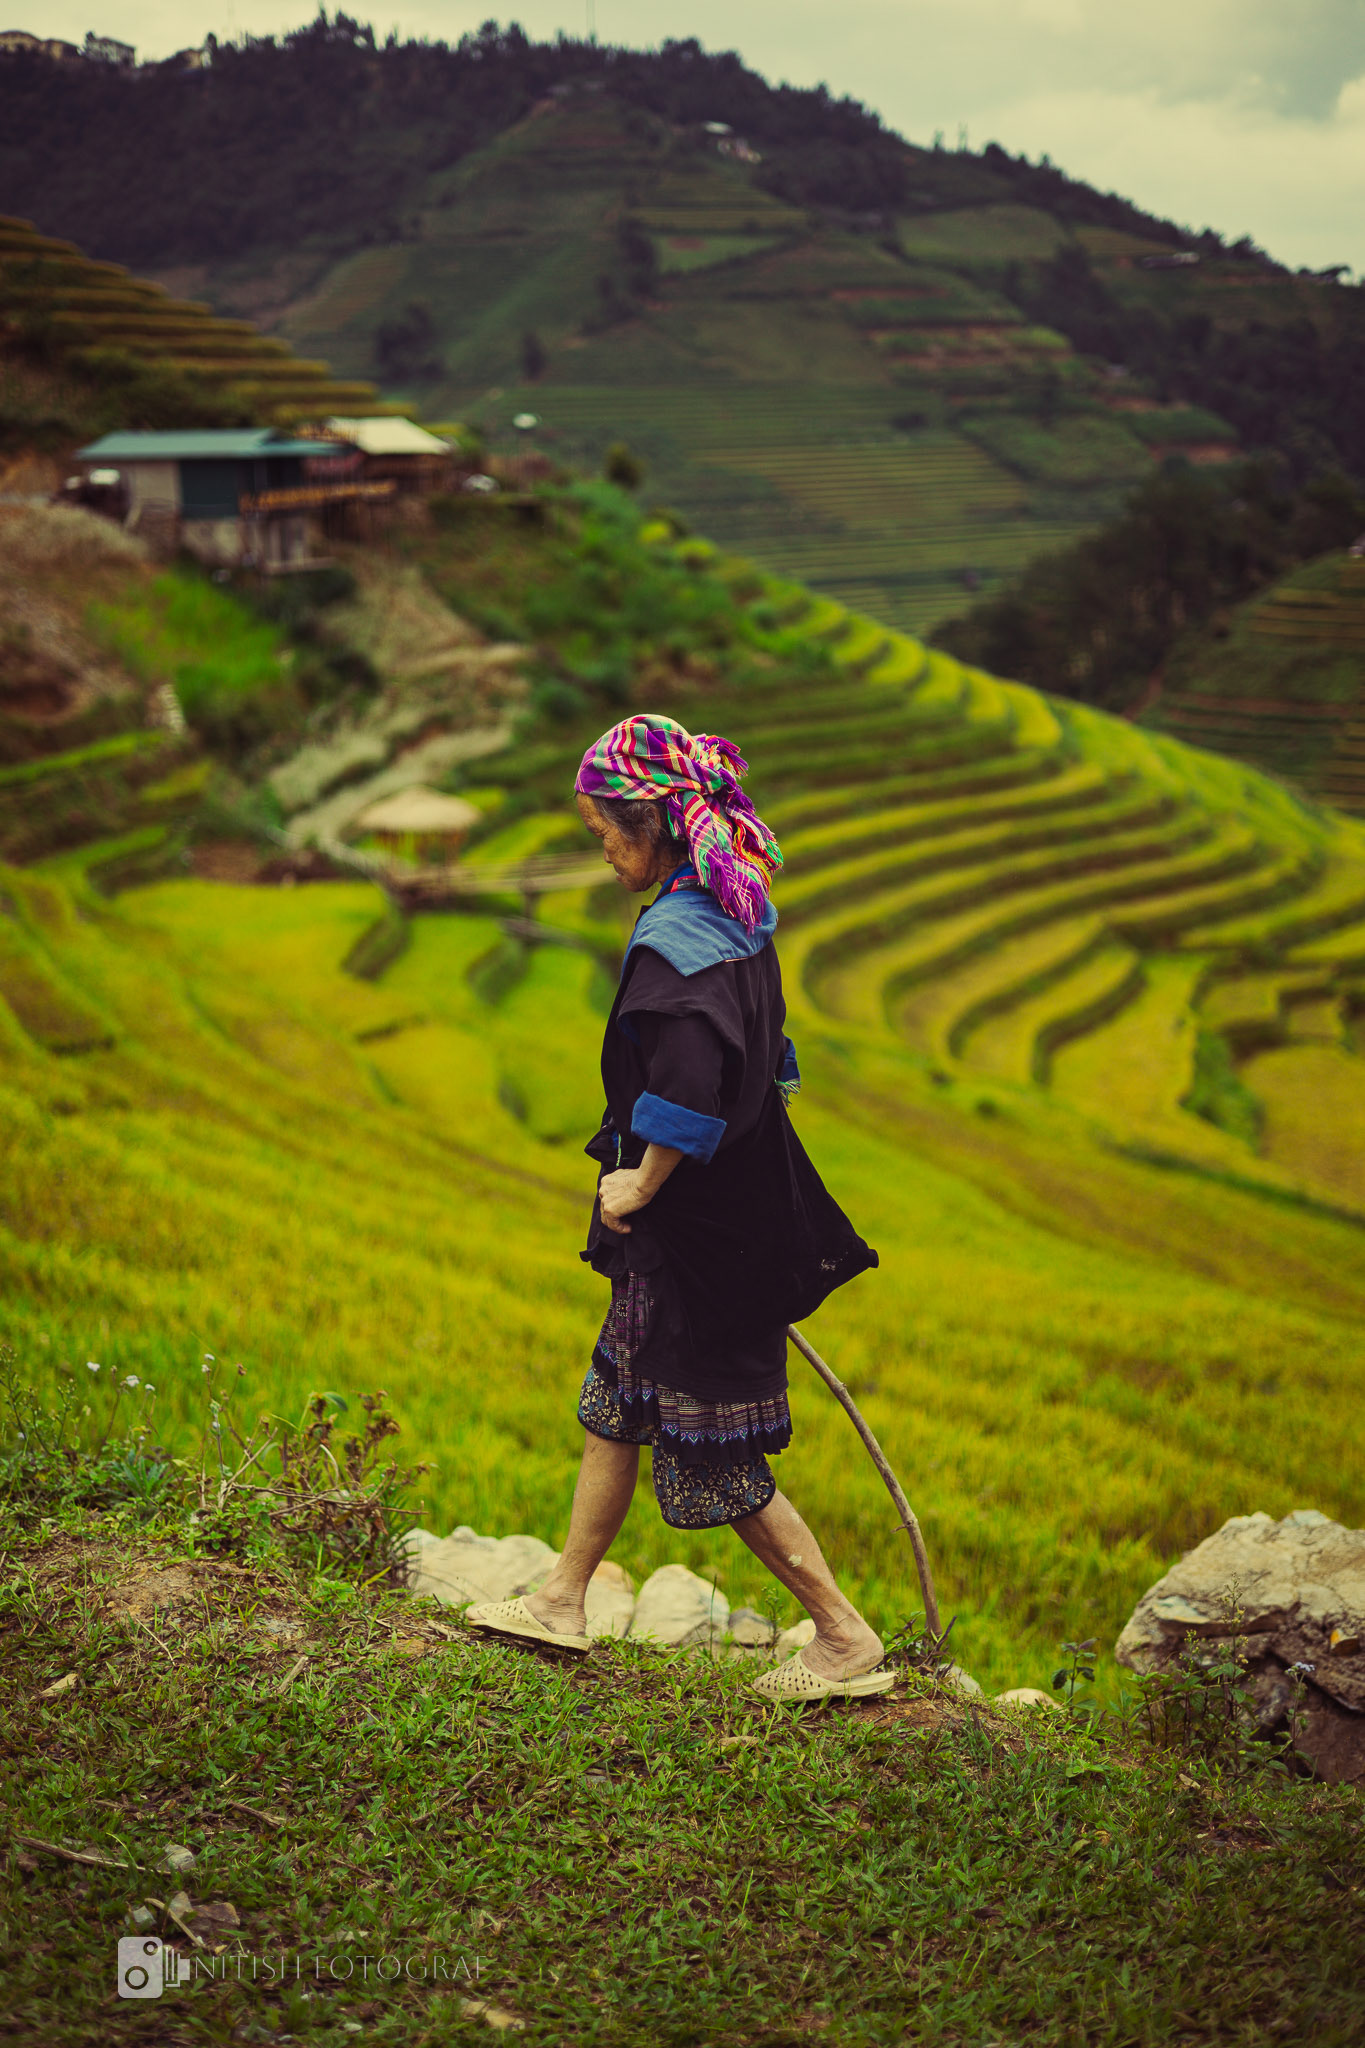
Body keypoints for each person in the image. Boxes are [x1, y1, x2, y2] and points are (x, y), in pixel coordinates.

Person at [466, 713, 892, 1699]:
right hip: (710, 1221)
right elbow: (767, 1058)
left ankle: (843, 1637)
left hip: (697, 1238)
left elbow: (694, 1088)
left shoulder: (680, 942)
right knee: (617, 1398)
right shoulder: (733, 906)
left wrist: (643, 1180)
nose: (605, 850)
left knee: (716, 1447)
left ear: (651, 824)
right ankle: (562, 1599)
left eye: (607, 832)